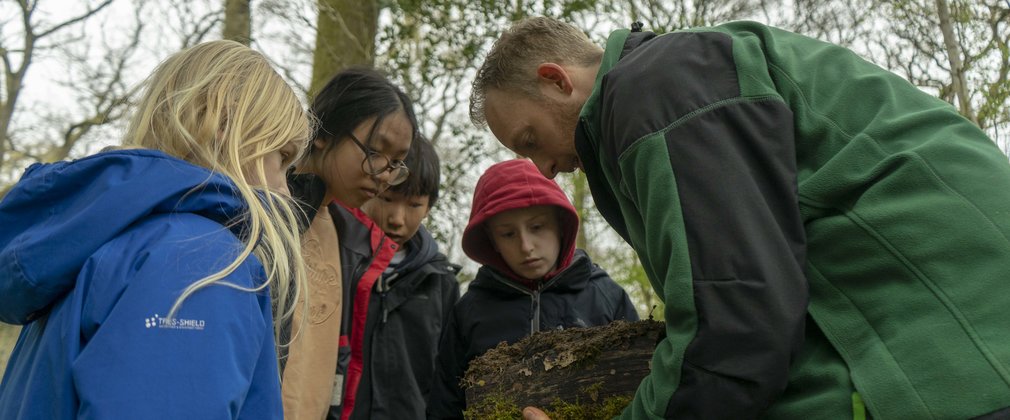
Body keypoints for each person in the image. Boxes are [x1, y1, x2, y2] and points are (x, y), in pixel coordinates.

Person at [471, 16, 1010, 420]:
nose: (543, 169)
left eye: (530, 140)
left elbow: (735, 324)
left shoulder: (657, 88)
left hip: (957, 353)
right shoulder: (682, 76)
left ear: (556, 80)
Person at [0, 40, 310, 419]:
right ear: (224, 125)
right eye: (281, 157)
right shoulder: (198, 262)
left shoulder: (93, 246)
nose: (283, 188)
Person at [427, 158, 639, 419]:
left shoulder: (606, 296)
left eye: (537, 227)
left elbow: (639, 388)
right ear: (491, 241)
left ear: (561, 226)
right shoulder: (469, 311)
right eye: (507, 234)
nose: (526, 246)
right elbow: (444, 403)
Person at [281, 67, 418, 420]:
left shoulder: (351, 238)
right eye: (375, 151)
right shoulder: (270, 216)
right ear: (324, 132)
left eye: (397, 163)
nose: (385, 174)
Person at [334, 136, 461, 420]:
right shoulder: (336, 263)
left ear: (429, 207)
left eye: (414, 205)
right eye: (387, 199)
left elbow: (449, 377)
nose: (397, 218)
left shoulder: (441, 282)